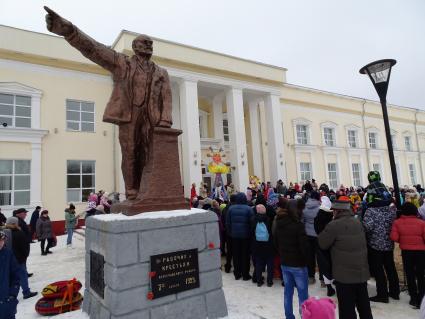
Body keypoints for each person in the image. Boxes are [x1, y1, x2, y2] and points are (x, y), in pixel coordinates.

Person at [318, 196, 372, 319]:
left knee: (347, 311)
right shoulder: (357, 222)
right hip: (361, 273)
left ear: (337, 211)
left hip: (344, 276)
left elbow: (322, 243)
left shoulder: (334, 225)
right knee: (364, 307)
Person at [363, 171, 399, 303]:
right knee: (390, 267)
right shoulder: (391, 208)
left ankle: (382, 294)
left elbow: (367, 227)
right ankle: (395, 292)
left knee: (378, 270)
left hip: (375, 245)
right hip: (388, 243)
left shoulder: (371, 210)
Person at [273, 199, 309, 319]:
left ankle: (289, 316)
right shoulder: (298, 225)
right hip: (298, 264)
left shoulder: (279, 222)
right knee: (302, 294)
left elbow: (276, 242)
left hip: (285, 262)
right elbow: (304, 247)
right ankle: (304, 316)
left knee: (288, 292)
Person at [390, 202, 425, 309]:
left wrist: (403, 240)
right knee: (421, 275)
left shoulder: (397, 222)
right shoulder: (422, 223)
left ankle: (413, 298)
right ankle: (422, 297)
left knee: (409, 274)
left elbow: (394, 237)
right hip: (421, 251)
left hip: (406, 251)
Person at [5, 217, 37, 300]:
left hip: (7, 259)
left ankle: (9, 294)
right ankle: (26, 292)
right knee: (22, 275)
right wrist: (25, 256)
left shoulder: (4, 233)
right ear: (14, 224)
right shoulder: (19, 233)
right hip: (18, 258)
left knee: (10, 276)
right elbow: (24, 246)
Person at [226, 192, 253, 281]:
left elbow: (228, 223)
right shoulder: (249, 209)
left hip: (234, 236)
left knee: (236, 255)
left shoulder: (231, 209)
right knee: (245, 255)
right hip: (246, 236)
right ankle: (245, 274)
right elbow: (252, 223)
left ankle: (237, 273)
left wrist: (230, 233)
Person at [314, 201, 336, 297]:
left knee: (324, 266)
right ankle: (335, 281)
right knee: (334, 264)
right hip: (332, 244)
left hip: (320, 243)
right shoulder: (331, 218)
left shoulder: (317, 217)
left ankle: (328, 287)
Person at [251, 204, 274, 287]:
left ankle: (259, 281)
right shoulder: (269, 219)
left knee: (258, 263)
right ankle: (270, 281)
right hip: (268, 244)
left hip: (257, 244)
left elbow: (251, 232)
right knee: (270, 263)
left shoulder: (253, 219)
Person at [302, 191, 321, 285]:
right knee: (320, 257)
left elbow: (302, 221)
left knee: (310, 256)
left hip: (308, 234)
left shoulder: (305, 208)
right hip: (318, 234)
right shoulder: (320, 208)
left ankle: (311, 276)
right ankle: (323, 279)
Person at [0, 231, 20, 319]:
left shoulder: (8, 254)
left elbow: (15, 276)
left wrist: (12, 295)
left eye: (2, 240)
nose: (1, 243)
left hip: (7, 302)